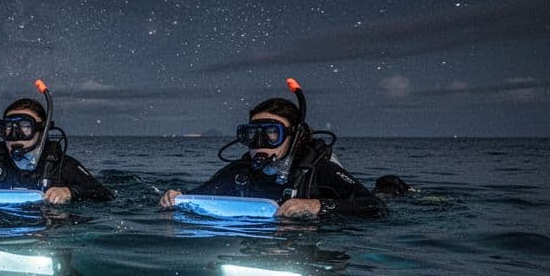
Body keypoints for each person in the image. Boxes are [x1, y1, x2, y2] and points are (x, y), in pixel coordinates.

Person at [158, 82, 383, 218]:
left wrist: (318, 206)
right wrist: (175, 197)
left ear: (294, 136)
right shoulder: (239, 173)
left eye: (272, 134)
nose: (260, 142)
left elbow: (374, 205)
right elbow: (197, 196)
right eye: (251, 135)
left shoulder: (318, 171)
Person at [0, 96, 113, 204]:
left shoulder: (61, 165)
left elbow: (104, 194)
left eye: (25, 127)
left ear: (41, 130)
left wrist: (69, 192)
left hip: (50, 234)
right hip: (3, 230)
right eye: (8, 128)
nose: (15, 135)